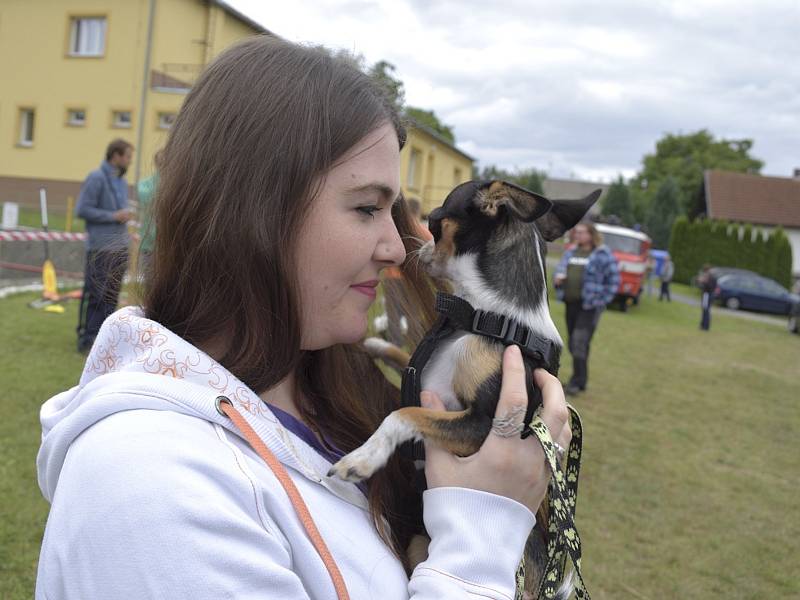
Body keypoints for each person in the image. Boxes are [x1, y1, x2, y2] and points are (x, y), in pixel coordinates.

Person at [36, 37, 571, 599]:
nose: (396, 246)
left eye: (392, 212)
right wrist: (484, 534)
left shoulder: (331, 391)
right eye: (367, 208)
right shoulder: (147, 487)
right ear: (254, 209)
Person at [75, 138, 135, 353]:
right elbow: (82, 210)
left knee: (111, 295)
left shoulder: (119, 181)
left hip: (119, 246)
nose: (130, 161)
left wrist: (123, 216)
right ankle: (87, 339)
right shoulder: (96, 178)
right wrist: (113, 215)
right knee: (96, 294)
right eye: (128, 157)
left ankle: (104, 341)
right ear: (116, 156)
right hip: (100, 248)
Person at [553, 221, 620, 396]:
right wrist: (558, 281)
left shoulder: (602, 254)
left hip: (589, 307)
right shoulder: (571, 252)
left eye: (582, 232)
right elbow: (559, 271)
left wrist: (601, 300)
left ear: (591, 235)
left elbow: (614, 281)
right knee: (574, 344)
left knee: (578, 342)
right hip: (571, 303)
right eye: (577, 232)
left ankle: (576, 382)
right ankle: (581, 381)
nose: (578, 235)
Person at [383, 196, 432, 347]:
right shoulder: (424, 233)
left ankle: (395, 344)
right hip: (413, 279)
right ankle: (415, 344)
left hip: (392, 276)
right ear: (417, 211)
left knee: (393, 314)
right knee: (414, 313)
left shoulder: (395, 229)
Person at [698, 264, 717, 331]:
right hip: (706, 295)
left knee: (706, 310)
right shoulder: (708, 277)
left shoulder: (711, 277)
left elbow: (710, 287)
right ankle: (702, 325)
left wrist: (704, 282)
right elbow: (702, 286)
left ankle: (705, 326)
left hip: (707, 295)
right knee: (704, 310)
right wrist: (700, 282)